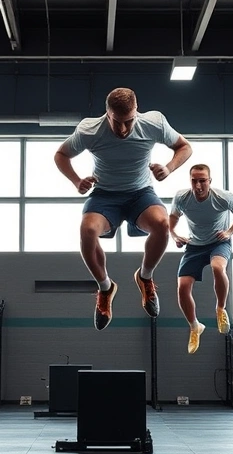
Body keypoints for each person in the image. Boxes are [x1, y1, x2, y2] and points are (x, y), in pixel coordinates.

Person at [55, 87, 193, 330]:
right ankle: (106, 288)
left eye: (128, 121)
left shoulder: (154, 123)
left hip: (140, 194)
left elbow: (184, 147)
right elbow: (61, 154)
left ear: (136, 111)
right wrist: (77, 181)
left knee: (162, 224)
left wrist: (169, 168)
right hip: (104, 195)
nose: (122, 129)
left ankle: (145, 277)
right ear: (106, 113)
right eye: (116, 122)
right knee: (87, 230)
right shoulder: (89, 130)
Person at [170, 164, 233, 354]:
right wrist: (175, 235)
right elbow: (172, 218)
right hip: (194, 245)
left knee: (217, 268)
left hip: (218, 242)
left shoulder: (222, 197)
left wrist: (229, 232)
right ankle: (195, 326)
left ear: (210, 181)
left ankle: (220, 309)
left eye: (202, 181)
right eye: (194, 181)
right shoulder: (182, 197)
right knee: (182, 287)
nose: (198, 185)